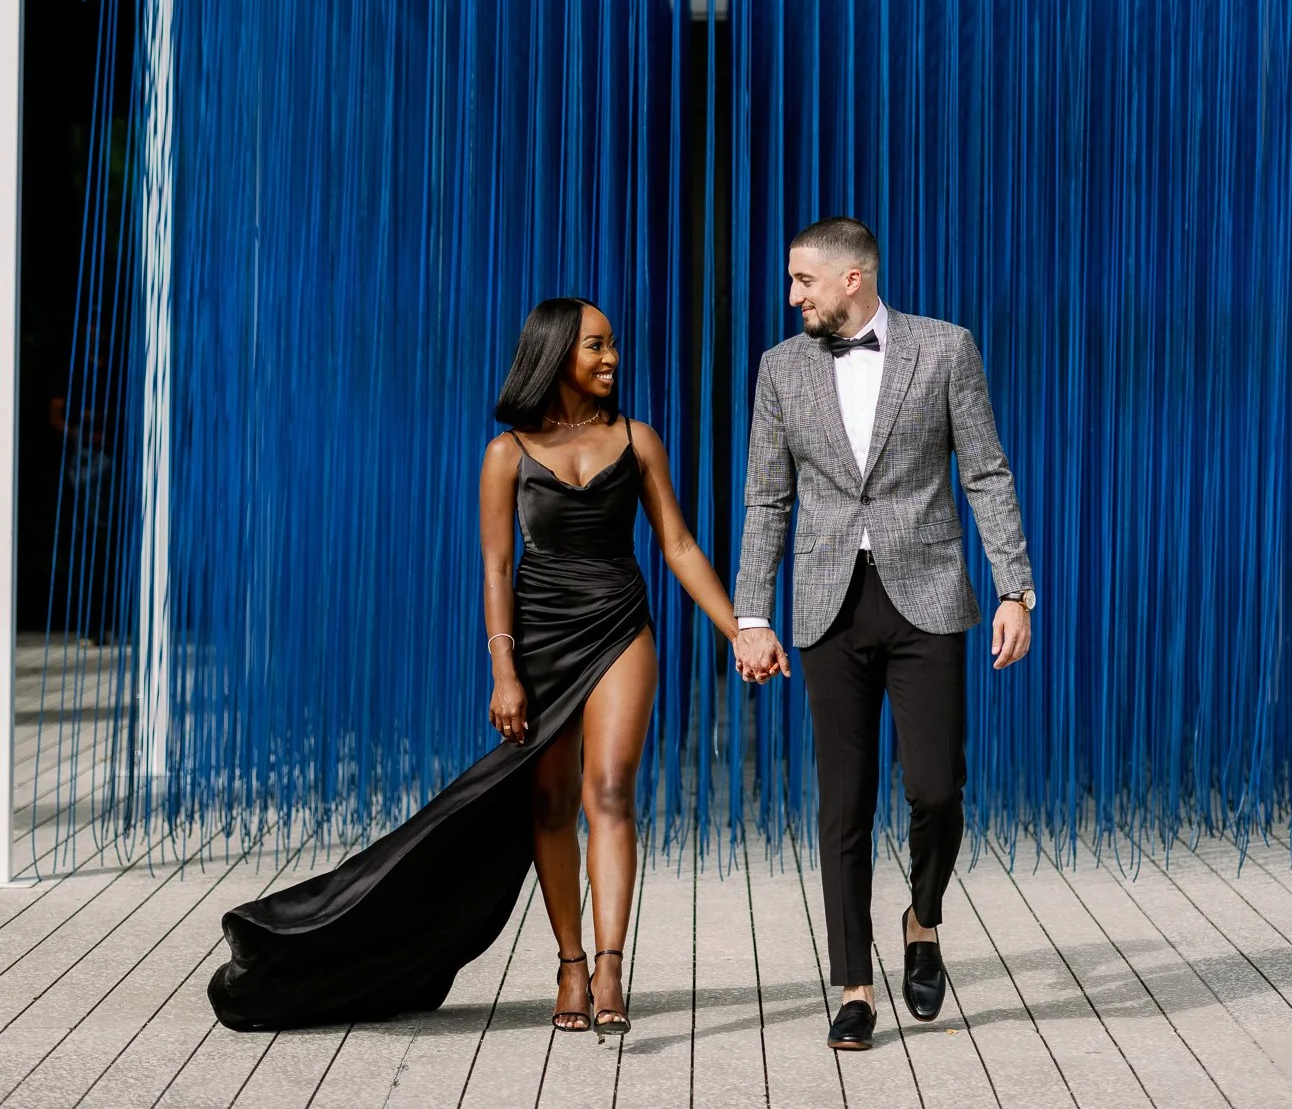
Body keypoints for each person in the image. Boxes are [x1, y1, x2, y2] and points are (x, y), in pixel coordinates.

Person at [209, 296, 741, 1034]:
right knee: (550, 804)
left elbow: (679, 546)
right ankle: (569, 964)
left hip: (621, 626)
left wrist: (741, 630)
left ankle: (613, 961)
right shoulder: (505, 455)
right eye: (595, 346)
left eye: (612, 344)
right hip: (542, 638)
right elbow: (496, 569)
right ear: (556, 354)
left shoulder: (638, 439)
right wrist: (504, 671)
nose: (612, 357)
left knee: (611, 790)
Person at [731, 217, 1034, 1051]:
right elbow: (767, 499)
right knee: (844, 803)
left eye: (803, 281)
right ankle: (854, 984)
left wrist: (1016, 589)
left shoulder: (945, 349)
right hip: (829, 603)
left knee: (937, 788)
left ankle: (923, 918)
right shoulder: (780, 369)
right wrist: (750, 616)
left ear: (852, 279)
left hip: (928, 596)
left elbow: (985, 470)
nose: (792, 296)